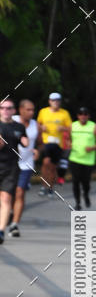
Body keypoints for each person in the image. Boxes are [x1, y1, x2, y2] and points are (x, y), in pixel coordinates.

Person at [8, 99, 42, 237]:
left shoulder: (36, 125)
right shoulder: (10, 120)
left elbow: (40, 143)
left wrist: (38, 150)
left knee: (20, 192)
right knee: (7, 195)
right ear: (21, 110)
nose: (31, 112)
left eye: (33, 110)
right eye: (28, 110)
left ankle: (14, 225)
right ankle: (9, 211)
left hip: (26, 165)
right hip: (9, 163)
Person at [0, 98, 28, 244]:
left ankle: (1, 231)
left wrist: (25, 142)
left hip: (11, 167)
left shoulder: (19, 126)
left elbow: (25, 141)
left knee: (6, 199)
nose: (6, 110)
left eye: (9, 108)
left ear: (14, 110)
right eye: (3, 108)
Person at [37, 93, 72, 196]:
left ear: (60, 102)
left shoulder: (64, 113)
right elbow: (37, 124)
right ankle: (43, 186)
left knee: (52, 167)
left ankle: (50, 187)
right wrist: (41, 127)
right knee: (45, 163)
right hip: (46, 142)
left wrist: (63, 128)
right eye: (53, 100)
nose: (55, 102)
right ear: (49, 101)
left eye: (57, 100)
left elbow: (71, 128)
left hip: (58, 144)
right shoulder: (43, 111)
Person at [69, 108, 96, 209]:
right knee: (75, 181)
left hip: (88, 160)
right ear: (78, 116)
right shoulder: (72, 125)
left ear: (88, 116)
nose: (83, 116)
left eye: (85, 114)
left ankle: (86, 195)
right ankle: (77, 202)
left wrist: (92, 148)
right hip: (74, 158)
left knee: (85, 182)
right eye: (80, 114)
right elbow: (67, 139)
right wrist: (69, 144)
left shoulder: (94, 126)